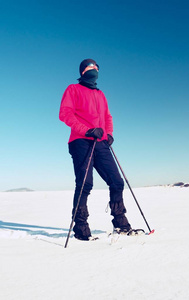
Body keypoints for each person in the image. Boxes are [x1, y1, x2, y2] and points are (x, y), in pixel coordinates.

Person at [59, 58, 132, 241]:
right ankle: (81, 227)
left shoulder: (101, 94)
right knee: (85, 183)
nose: (95, 69)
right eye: (90, 66)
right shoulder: (73, 89)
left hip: (101, 142)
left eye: (97, 67)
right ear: (83, 71)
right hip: (81, 140)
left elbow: (107, 116)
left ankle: (120, 222)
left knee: (117, 181)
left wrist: (109, 133)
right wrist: (87, 130)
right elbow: (65, 113)